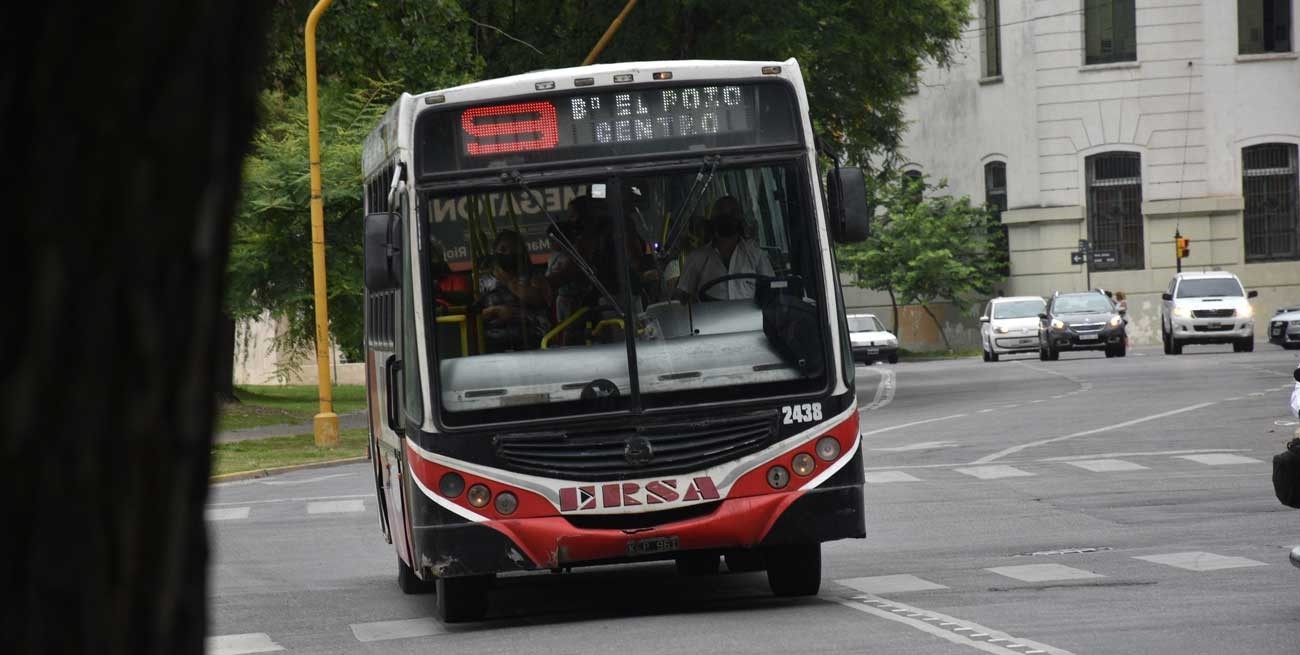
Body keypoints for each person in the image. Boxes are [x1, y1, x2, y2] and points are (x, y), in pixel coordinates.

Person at [672, 195, 774, 302]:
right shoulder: (696, 258)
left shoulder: (756, 255)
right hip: (710, 318)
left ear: (740, 219)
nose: (727, 218)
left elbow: (773, 291)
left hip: (751, 318)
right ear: (712, 221)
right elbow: (680, 300)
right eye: (722, 214)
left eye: (732, 213)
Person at [475, 230, 551, 352]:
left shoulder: (533, 276)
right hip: (494, 339)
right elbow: (473, 314)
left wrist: (510, 282)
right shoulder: (483, 282)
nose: (508, 253)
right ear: (495, 251)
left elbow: (539, 300)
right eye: (503, 249)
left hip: (529, 337)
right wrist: (495, 311)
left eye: (513, 249)